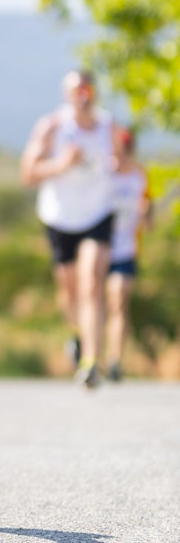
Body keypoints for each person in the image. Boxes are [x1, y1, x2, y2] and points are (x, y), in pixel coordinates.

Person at [20, 69, 119, 389]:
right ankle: (78, 336)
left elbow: (126, 161)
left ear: (95, 92)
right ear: (67, 94)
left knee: (91, 283)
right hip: (59, 217)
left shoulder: (109, 126)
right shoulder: (52, 126)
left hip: (98, 214)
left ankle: (91, 361)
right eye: (77, 89)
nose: (83, 94)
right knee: (70, 290)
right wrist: (62, 163)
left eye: (88, 88)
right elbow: (28, 173)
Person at [104, 126, 152, 381]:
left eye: (128, 148)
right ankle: (89, 353)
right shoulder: (103, 174)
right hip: (98, 247)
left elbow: (149, 217)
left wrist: (146, 214)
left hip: (126, 249)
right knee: (95, 302)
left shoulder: (140, 176)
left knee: (118, 301)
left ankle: (114, 360)